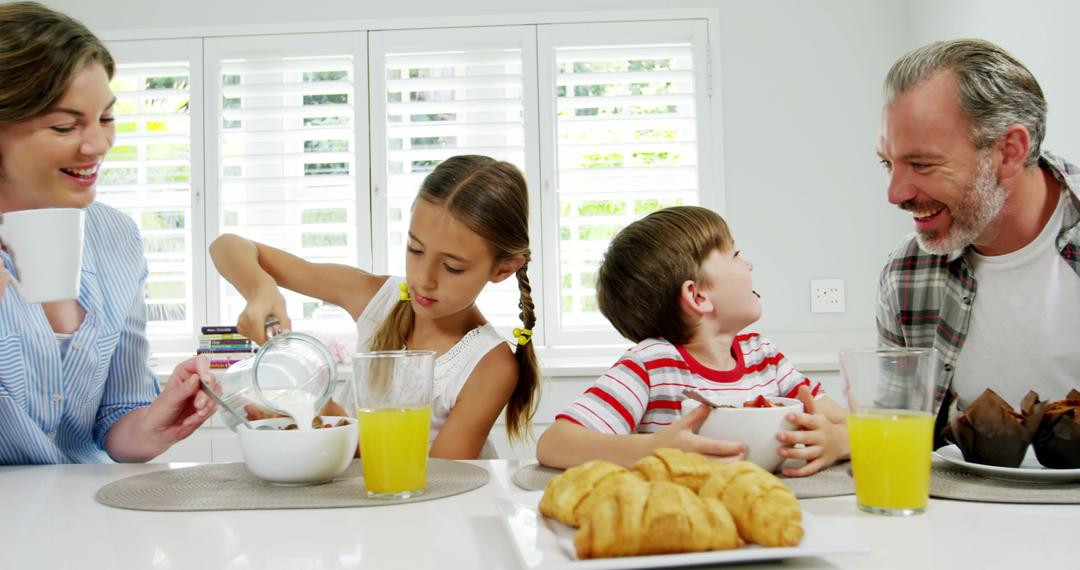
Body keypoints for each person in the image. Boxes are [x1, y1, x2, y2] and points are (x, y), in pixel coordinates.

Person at [210, 155, 539, 459]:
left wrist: (335, 423)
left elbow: (442, 482)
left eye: (452, 267)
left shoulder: (489, 366)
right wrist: (261, 288)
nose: (424, 279)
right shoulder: (378, 299)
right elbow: (228, 246)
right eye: (415, 249)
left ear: (502, 269)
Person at [0, 2, 217, 464]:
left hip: (89, 518)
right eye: (65, 125)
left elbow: (114, 420)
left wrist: (155, 424)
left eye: (106, 118)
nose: (97, 145)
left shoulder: (115, 236)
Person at [535, 206, 849, 477]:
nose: (749, 264)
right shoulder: (653, 364)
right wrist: (653, 449)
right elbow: (555, 443)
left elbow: (853, 426)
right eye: (735, 255)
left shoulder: (765, 358)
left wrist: (837, 442)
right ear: (698, 295)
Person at [875, 39, 1080, 442]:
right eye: (887, 163)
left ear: (1009, 151)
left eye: (921, 164)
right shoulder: (905, 274)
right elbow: (901, 435)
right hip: (962, 503)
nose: (895, 193)